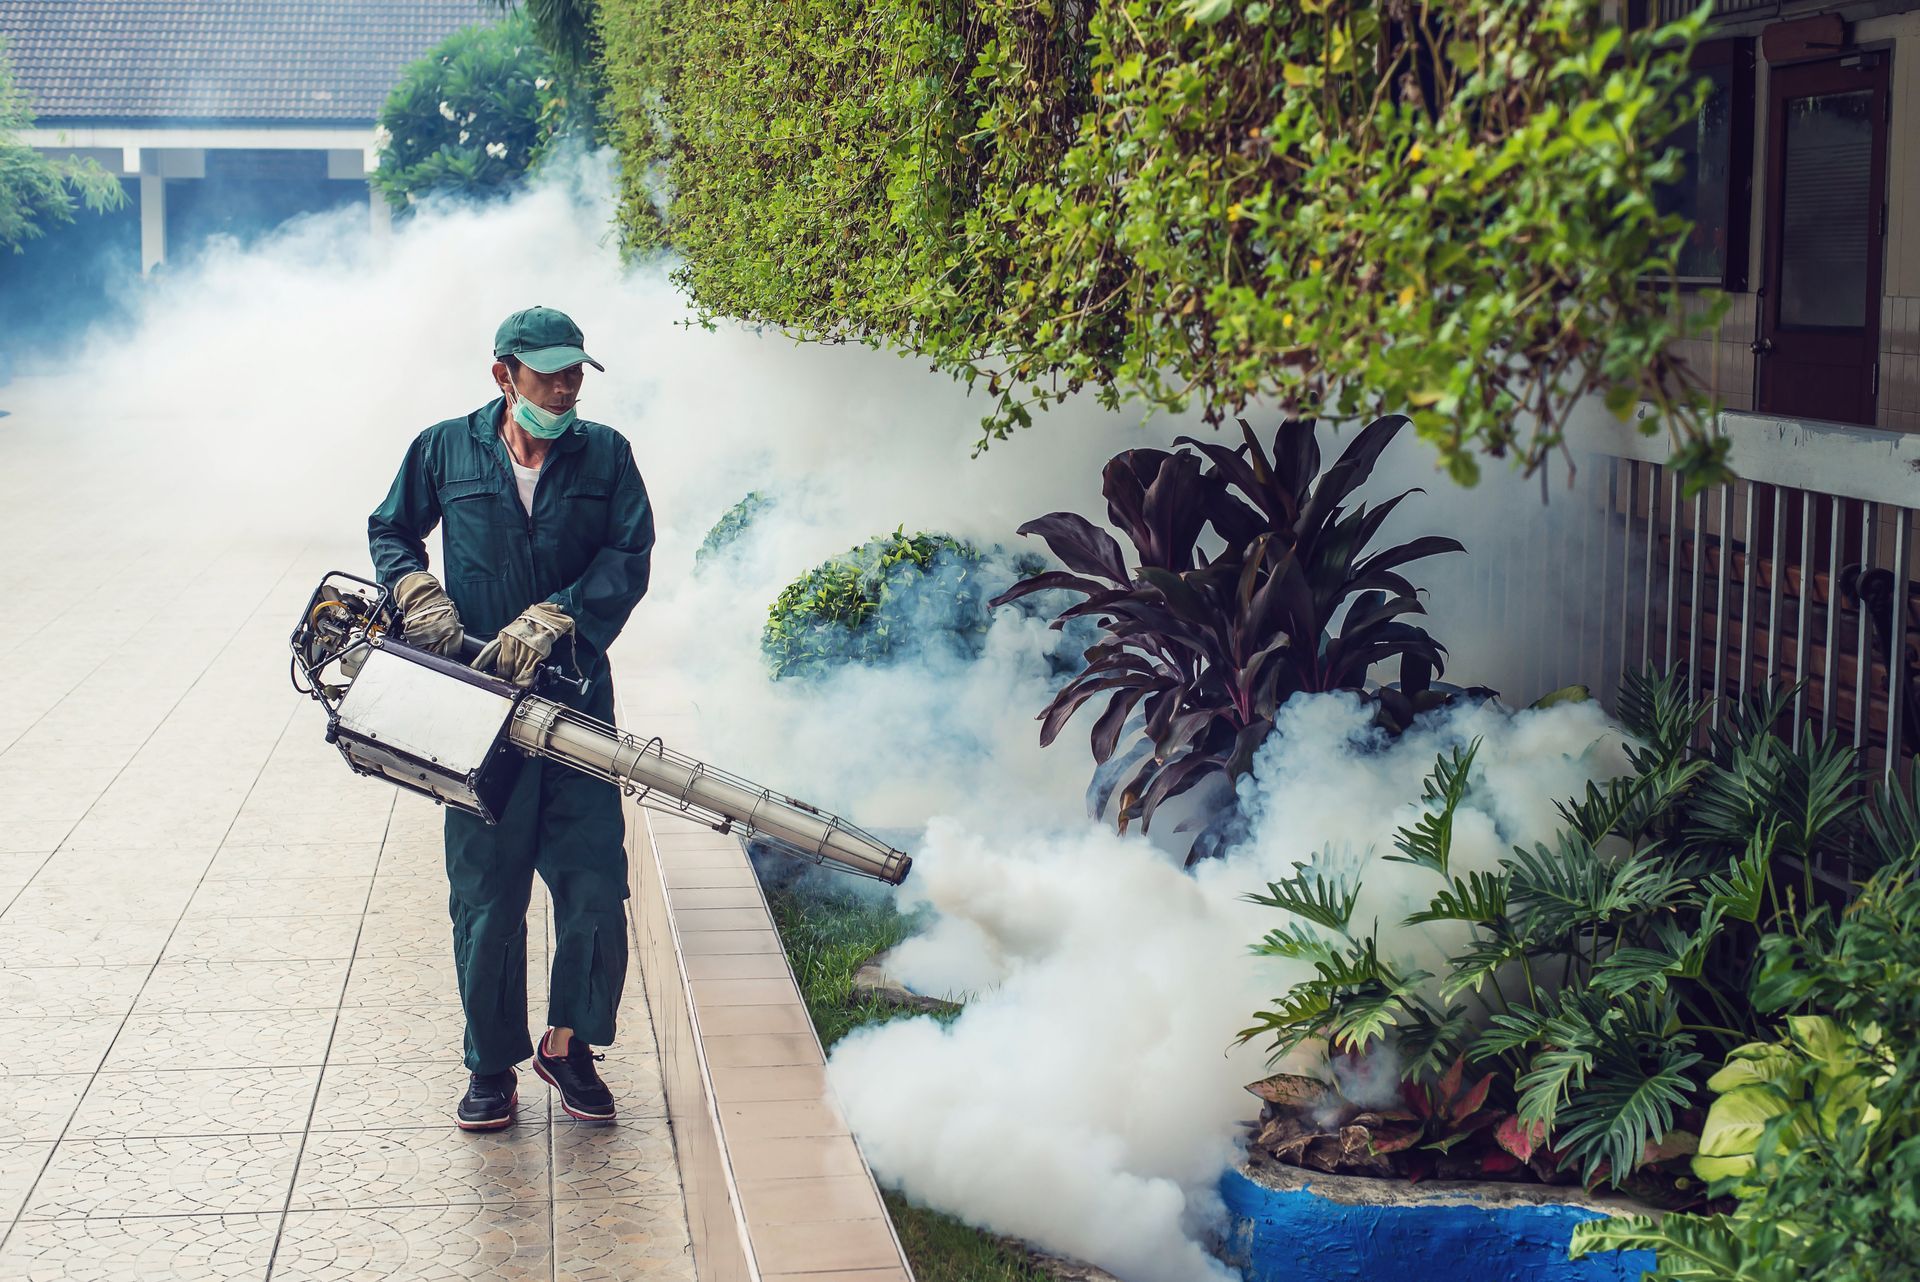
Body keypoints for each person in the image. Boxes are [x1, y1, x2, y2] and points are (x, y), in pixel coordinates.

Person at [368, 306, 655, 1129]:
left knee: (594, 878)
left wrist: (559, 616)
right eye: (548, 372)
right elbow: (392, 528)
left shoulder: (605, 454)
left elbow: (629, 554)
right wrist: (413, 588)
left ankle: (569, 1046)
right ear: (504, 374)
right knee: (488, 893)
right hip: (476, 708)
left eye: (574, 372)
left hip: (572, 702)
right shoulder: (443, 449)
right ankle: (491, 1064)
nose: (564, 386)